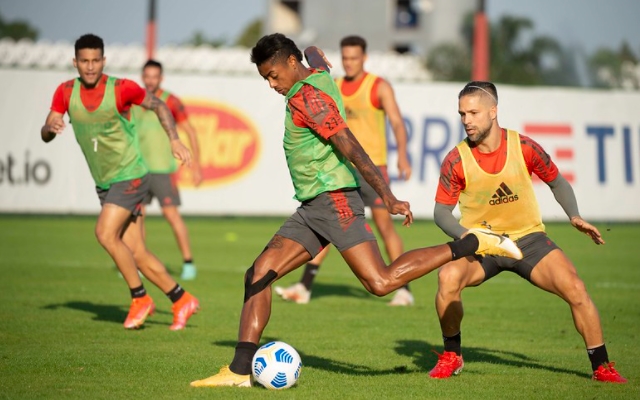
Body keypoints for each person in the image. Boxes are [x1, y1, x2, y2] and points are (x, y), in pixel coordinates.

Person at [190, 33, 523, 388]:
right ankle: (241, 371)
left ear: (290, 62)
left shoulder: (310, 99)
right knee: (258, 275)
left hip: (334, 201)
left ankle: (471, 244)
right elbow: (316, 56)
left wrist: (387, 195)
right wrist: (314, 52)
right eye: (265, 79)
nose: (272, 84)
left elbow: (352, 148)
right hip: (313, 207)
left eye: (273, 75)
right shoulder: (316, 73)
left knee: (380, 282)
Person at [428, 81, 626, 383]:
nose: (466, 120)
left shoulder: (523, 147)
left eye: (473, 112)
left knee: (575, 288)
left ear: (493, 111)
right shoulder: (456, 159)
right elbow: (441, 212)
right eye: (462, 114)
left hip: (528, 239)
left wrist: (574, 216)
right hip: (483, 243)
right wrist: (469, 236)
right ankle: (452, 356)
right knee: (447, 277)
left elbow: (557, 182)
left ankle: (601, 367)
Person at [41, 34, 199, 331]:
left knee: (104, 232)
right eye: (84, 61)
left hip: (131, 175)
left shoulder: (122, 88)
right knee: (136, 252)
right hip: (106, 181)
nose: (90, 67)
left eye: (95, 60)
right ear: (75, 62)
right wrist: (50, 127)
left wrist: (175, 140)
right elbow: (46, 132)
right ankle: (181, 299)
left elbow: (160, 106)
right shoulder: (64, 92)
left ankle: (140, 298)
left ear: (103, 61)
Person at [274, 35, 415, 306]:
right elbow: (313, 60)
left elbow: (397, 122)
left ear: (364, 58)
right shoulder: (330, 84)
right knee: (326, 227)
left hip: (372, 166)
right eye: (345, 58)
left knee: (385, 228)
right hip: (339, 167)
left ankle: (404, 290)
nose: (349, 63)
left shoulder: (378, 86)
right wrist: (312, 50)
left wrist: (404, 155)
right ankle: (304, 286)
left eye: (354, 58)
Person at [131, 59, 203, 281]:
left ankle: (188, 262)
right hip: (138, 169)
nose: (151, 80)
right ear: (142, 77)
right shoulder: (133, 100)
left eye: (155, 76)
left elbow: (190, 131)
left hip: (163, 170)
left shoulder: (170, 101)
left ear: (161, 78)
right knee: (136, 217)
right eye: (147, 76)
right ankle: (139, 263)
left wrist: (197, 165)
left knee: (172, 216)